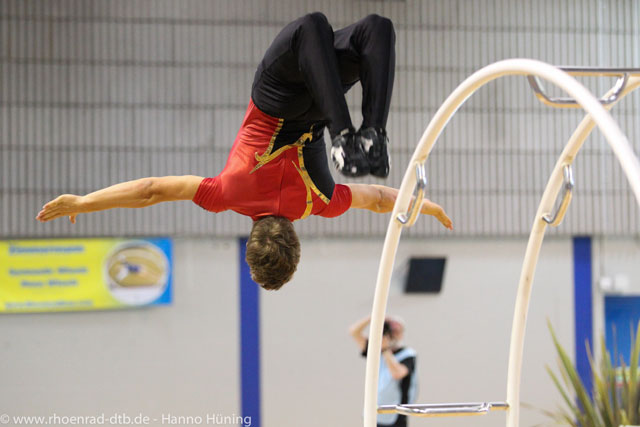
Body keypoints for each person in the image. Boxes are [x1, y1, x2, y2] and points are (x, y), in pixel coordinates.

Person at [36, 13, 453, 290]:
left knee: (374, 30)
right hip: (285, 93)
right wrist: (84, 202)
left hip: (318, 98)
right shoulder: (227, 195)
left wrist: (425, 208)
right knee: (311, 27)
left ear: (295, 240)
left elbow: (380, 200)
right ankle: (349, 133)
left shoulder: (320, 204)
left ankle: (369, 131)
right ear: (252, 237)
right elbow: (150, 190)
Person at [350, 316, 417, 427]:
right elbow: (354, 332)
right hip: (374, 408)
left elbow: (397, 373)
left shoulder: (408, 354)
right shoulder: (375, 349)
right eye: (390, 331)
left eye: (397, 331)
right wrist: (375, 317)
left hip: (395, 412)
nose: (393, 335)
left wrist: (385, 350)